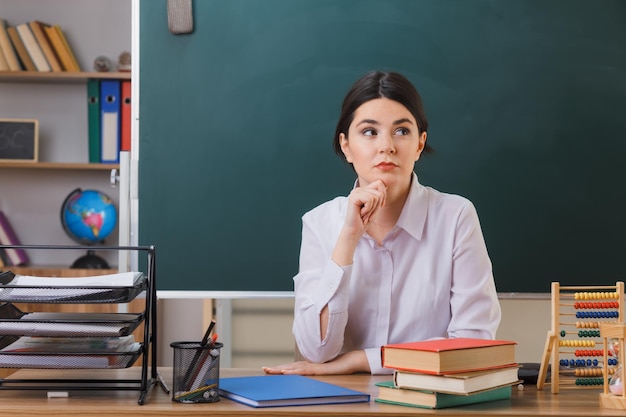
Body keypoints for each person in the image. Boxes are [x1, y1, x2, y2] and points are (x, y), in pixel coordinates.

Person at [263, 70, 501, 376]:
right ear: (346, 146)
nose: (387, 145)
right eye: (369, 132)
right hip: (342, 400)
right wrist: (348, 237)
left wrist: (360, 360)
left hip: (430, 401)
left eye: (402, 131)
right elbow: (316, 351)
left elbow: (474, 344)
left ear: (419, 144)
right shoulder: (320, 222)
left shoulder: (455, 217)